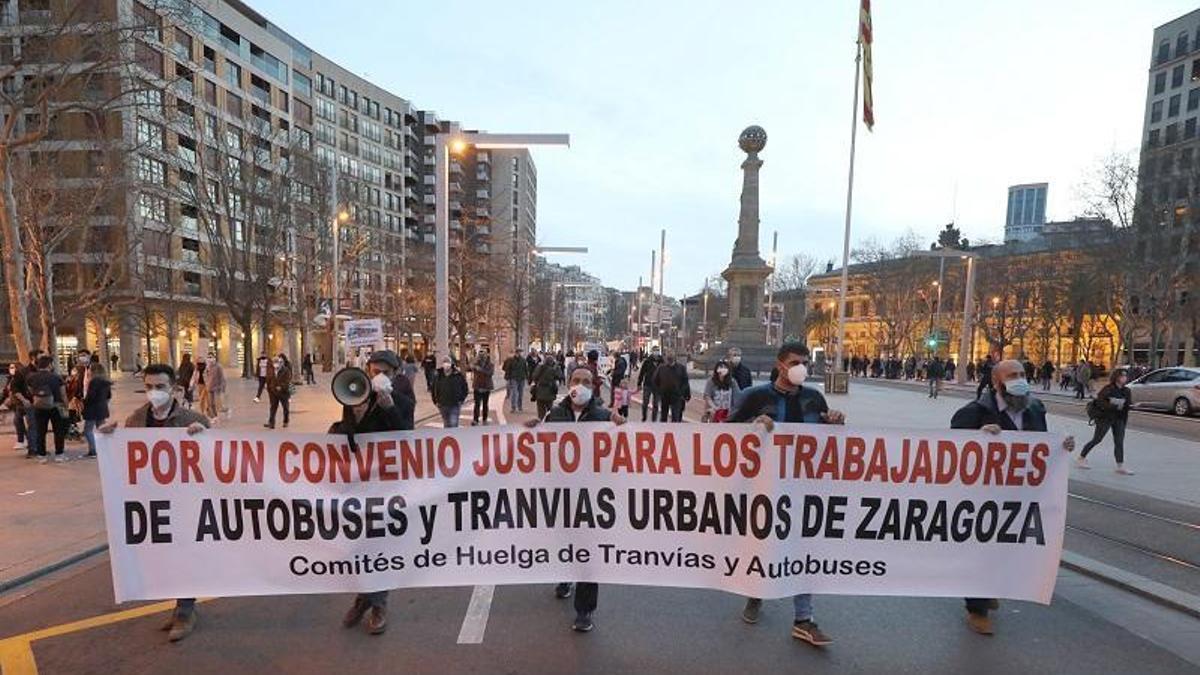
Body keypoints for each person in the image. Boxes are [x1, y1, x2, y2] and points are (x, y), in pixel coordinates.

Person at [729, 342, 844, 647]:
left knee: (802, 550)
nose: (801, 367)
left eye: (804, 362)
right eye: (795, 362)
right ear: (780, 365)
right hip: (764, 487)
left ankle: (803, 619)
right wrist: (752, 425)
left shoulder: (813, 398)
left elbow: (827, 441)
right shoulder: (755, 396)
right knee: (764, 545)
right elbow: (726, 432)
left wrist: (835, 422)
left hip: (804, 487)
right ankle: (756, 592)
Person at [950, 358, 1074, 635]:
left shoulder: (1035, 409)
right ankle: (976, 609)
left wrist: (1061, 446)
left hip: (1021, 496)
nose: (1020, 380)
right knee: (983, 549)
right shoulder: (975, 412)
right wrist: (978, 438)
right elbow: (952, 446)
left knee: (1007, 548)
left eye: (1022, 374)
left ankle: (991, 588)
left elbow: (1041, 446)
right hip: (984, 498)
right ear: (997, 383)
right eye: (1012, 376)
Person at [98, 363, 210, 642]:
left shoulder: (193, 419)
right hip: (150, 502)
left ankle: (185, 610)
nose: (154, 392)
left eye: (160, 387)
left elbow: (213, 461)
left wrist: (204, 435)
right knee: (163, 556)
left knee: (185, 554)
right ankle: (180, 608)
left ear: (175, 389)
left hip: (185, 502)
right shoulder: (135, 420)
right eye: (148, 387)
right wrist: (109, 440)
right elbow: (127, 461)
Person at [527, 366, 625, 632]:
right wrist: (532, 430)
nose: (580, 385)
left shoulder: (603, 417)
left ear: (594, 386)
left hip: (592, 498)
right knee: (563, 540)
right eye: (576, 380)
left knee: (588, 550)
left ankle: (584, 610)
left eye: (586, 381)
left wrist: (623, 428)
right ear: (568, 383)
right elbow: (541, 448)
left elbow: (622, 451)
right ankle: (565, 575)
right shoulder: (555, 415)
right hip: (561, 494)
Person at [331, 350, 414, 635]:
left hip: (388, 486)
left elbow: (406, 437)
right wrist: (354, 419)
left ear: (395, 374)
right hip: (359, 484)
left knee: (379, 545)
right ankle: (365, 599)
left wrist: (389, 407)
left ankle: (377, 605)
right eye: (374, 371)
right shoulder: (355, 396)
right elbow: (348, 443)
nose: (378, 376)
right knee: (358, 546)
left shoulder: (404, 400)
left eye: (385, 373)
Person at [1078, 369, 1134, 474]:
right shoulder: (1108, 389)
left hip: (1119, 418)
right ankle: (1081, 457)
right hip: (1105, 418)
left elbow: (1128, 404)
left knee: (1119, 441)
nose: (1124, 378)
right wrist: (1114, 405)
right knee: (1097, 439)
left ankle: (1120, 465)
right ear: (1116, 377)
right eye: (1122, 376)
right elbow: (1100, 402)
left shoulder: (1127, 391)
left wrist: (1130, 406)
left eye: (1125, 376)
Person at [27, 355, 68, 463]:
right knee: (58, 431)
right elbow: (63, 394)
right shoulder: (56, 377)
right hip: (56, 406)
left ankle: (42, 455)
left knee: (40, 431)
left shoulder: (32, 377)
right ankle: (59, 454)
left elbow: (31, 391)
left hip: (39, 407)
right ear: (50, 365)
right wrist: (66, 406)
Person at [80, 362, 111, 458]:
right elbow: (109, 396)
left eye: (90, 369)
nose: (88, 371)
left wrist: (83, 401)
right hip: (102, 409)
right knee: (101, 430)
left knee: (88, 430)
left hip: (92, 410)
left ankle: (93, 450)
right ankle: (103, 448)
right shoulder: (106, 382)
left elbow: (91, 397)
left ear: (94, 371)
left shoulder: (94, 382)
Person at [653, 351, 690, 422]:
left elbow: (685, 382)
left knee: (675, 416)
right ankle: (664, 428)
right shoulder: (661, 368)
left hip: (676, 396)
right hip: (665, 395)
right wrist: (659, 391)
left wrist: (683, 393)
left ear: (674, 358)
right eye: (668, 358)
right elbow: (655, 380)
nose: (669, 360)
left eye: (671, 357)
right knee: (664, 417)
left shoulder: (681, 368)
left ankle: (675, 428)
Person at [432, 357, 469, 428]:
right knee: (446, 424)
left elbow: (465, 388)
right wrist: (435, 401)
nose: (446, 364)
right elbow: (434, 389)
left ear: (451, 363)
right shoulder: (438, 375)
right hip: (443, 404)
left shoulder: (457, 375)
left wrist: (461, 399)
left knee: (453, 423)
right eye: (444, 362)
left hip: (455, 404)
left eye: (447, 362)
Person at [2, 362, 28, 451]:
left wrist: (24, 400)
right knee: (19, 422)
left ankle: (22, 440)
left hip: (22, 402)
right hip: (15, 403)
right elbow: (6, 392)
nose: (11, 369)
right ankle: (25, 439)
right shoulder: (10, 379)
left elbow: (18, 390)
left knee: (18, 421)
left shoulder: (21, 378)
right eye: (10, 367)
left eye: (13, 367)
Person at [265, 353, 292, 429]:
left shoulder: (286, 370)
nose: (276, 364)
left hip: (284, 393)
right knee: (273, 408)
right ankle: (271, 423)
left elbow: (288, 381)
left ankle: (286, 421)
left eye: (277, 362)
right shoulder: (271, 370)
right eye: (274, 362)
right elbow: (269, 380)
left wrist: (281, 387)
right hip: (274, 392)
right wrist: (269, 389)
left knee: (286, 408)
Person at [636, 346, 663, 421]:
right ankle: (644, 416)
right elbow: (642, 373)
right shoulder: (647, 361)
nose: (656, 352)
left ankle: (654, 419)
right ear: (652, 351)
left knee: (656, 404)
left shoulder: (662, 362)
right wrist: (639, 383)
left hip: (658, 386)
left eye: (657, 350)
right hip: (647, 384)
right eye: (655, 350)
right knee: (645, 402)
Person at [531, 355, 561, 420]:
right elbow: (559, 376)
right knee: (550, 410)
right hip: (550, 392)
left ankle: (541, 421)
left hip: (540, 391)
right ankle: (548, 422)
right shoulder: (553, 369)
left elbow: (534, 376)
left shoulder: (539, 367)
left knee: (540, 410)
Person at [470, 350, 495, 426]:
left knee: (485, 404)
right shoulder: (476, 363)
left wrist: (481, 369)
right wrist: (473, 364)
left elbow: (490, 373)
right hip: (477, 386)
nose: (481, 357)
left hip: (486, 387)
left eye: (483, 355)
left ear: (486, 356)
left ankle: (484, 419)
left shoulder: (490, 364)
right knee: (477, 404)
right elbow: (470, 368)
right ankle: (475, 419)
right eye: (480, 355)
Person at [502, 348, 528, 414]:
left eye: (520, 352)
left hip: (521, 378)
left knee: (521, 393)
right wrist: (508, 377)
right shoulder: (511, 360)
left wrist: (527, 377)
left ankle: (520, 406)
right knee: (514, 393)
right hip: (514, 378)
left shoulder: (523, 360)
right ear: (516, 353)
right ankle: (513, 407)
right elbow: (506, 369)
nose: (519, 353)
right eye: (518, 352)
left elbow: (526, 369)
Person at [204, 354, 227, 420]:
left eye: (211, 357)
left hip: (217, 387)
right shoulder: (208, 367)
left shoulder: (218, 366)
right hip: (209, 387)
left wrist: (222, 387)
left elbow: (222, 377)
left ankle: (226, 410)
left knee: (218, 404)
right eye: (208, 357)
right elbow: (206, 376)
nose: (209, 359)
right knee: (211, 403)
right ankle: (214, 417)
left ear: (214, 358)